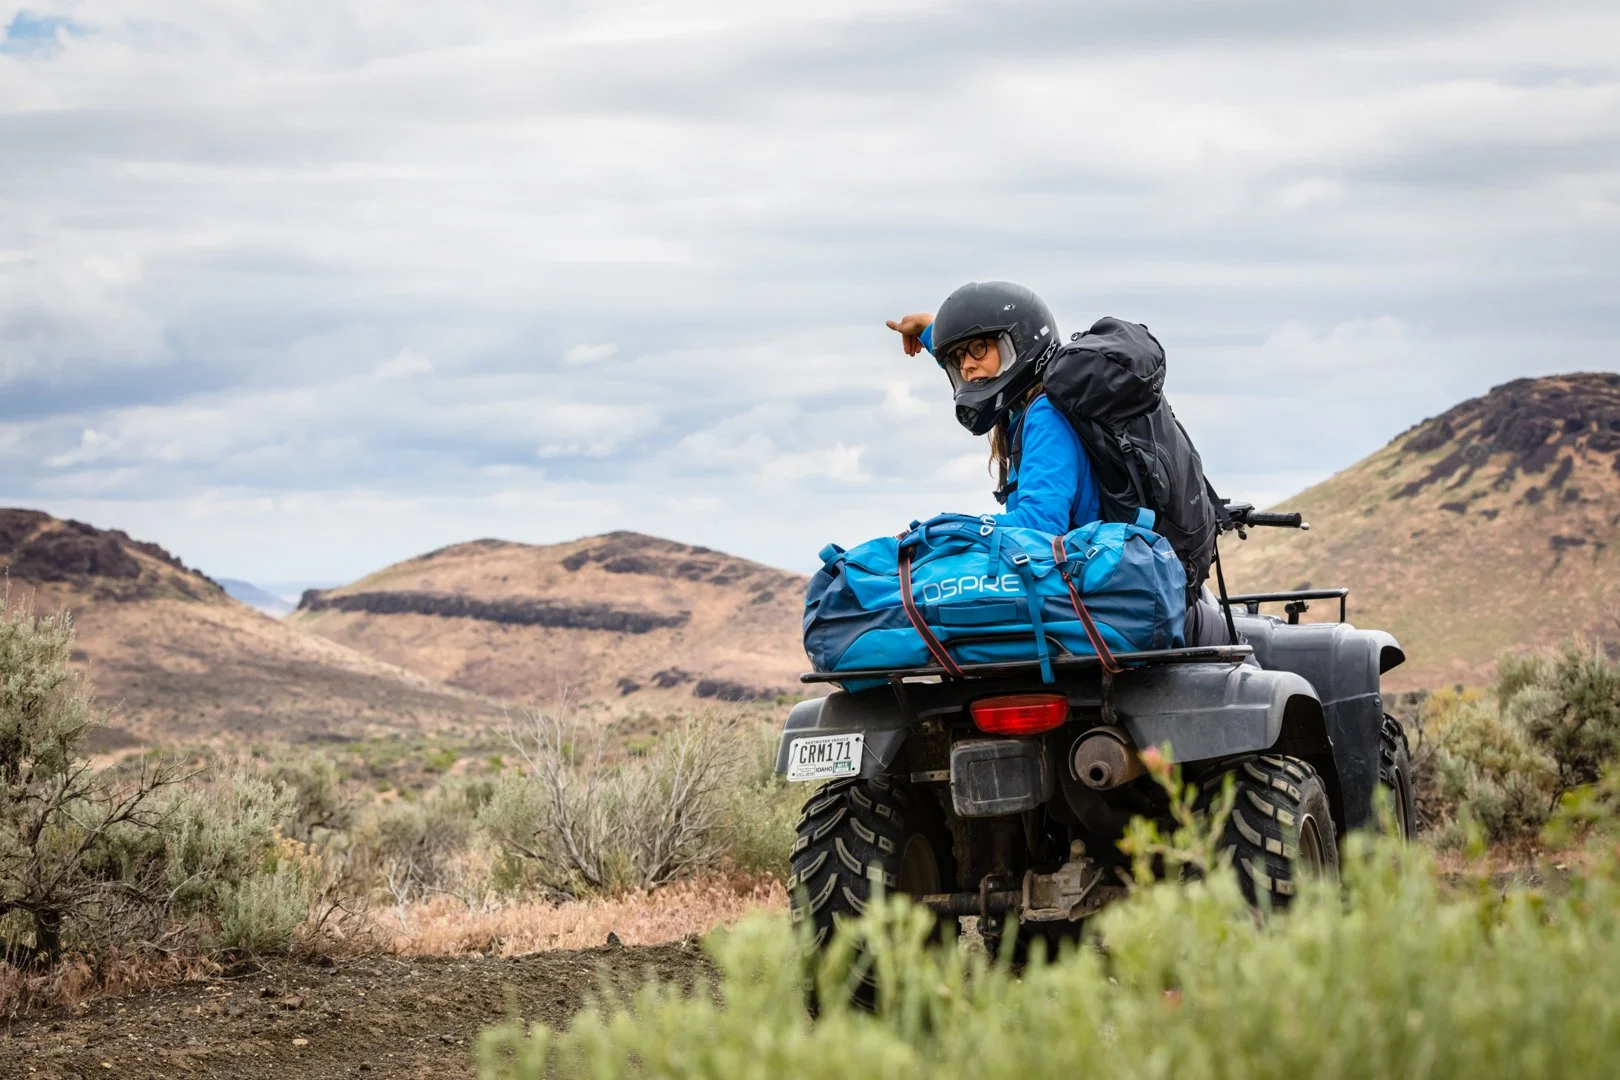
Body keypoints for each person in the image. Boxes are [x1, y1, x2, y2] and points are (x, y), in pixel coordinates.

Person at [887, 281, 1100, 535]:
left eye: (979, 348)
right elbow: (979, 368)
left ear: (1018, 347)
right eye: (959, 357)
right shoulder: (1020, 411)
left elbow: (1040, 526)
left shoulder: (1047, 416)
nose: (966, 366)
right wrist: (928, 329)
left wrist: (947, 529)